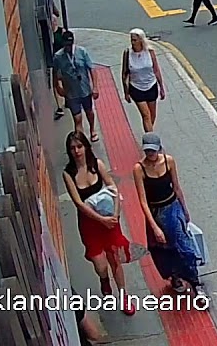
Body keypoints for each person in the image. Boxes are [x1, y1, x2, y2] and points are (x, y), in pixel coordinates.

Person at [62, 132, 136, 314]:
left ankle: (123, 295)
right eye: (73, 148)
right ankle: (104, 281)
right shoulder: (68, 174)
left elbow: (113, 187)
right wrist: (101, 219)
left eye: (79, 146)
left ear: (86, 146)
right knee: (100, 264)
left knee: (115, 259)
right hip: (90, 224)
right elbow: (78, 203)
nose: (77, 151)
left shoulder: (97, 165)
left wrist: (116, 214)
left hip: (110, 220)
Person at [133, 133, 202, 296]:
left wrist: (185, 209)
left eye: (153, 151)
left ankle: (194, 282)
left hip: (173, 207)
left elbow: (177, 187)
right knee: (164, 250)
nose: (151, 155)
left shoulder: (169, 161)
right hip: (156, 212)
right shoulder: (139, 169)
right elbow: (143, 201)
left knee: (186, 249)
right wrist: (154, 227)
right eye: (148, 151)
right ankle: (175, 277)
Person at [53, 30, 100, 142]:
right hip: (71, 92)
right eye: (66, 45)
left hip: (85, 90)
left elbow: (91, 69)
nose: (68, 47)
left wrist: (95, 87)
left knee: (89, 112)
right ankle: (81, 139)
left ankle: (92, 130)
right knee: (77, 118)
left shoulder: (82, 52)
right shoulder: (58, 57)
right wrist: (58, 87)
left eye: (70, 45)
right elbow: (55, 73)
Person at [122, 28, 166, 132]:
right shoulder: (128, 53)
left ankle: (149, 134)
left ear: (141, 40)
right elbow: (124, 74)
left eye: (135, 40)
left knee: (152, 115)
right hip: (136, 88)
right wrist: (126, 92)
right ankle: (150, 142)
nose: (133, 42)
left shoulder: (150, 52)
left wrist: (161, 87)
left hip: (151, 86)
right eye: (131, 40)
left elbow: (156, 70)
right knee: (146, 115)